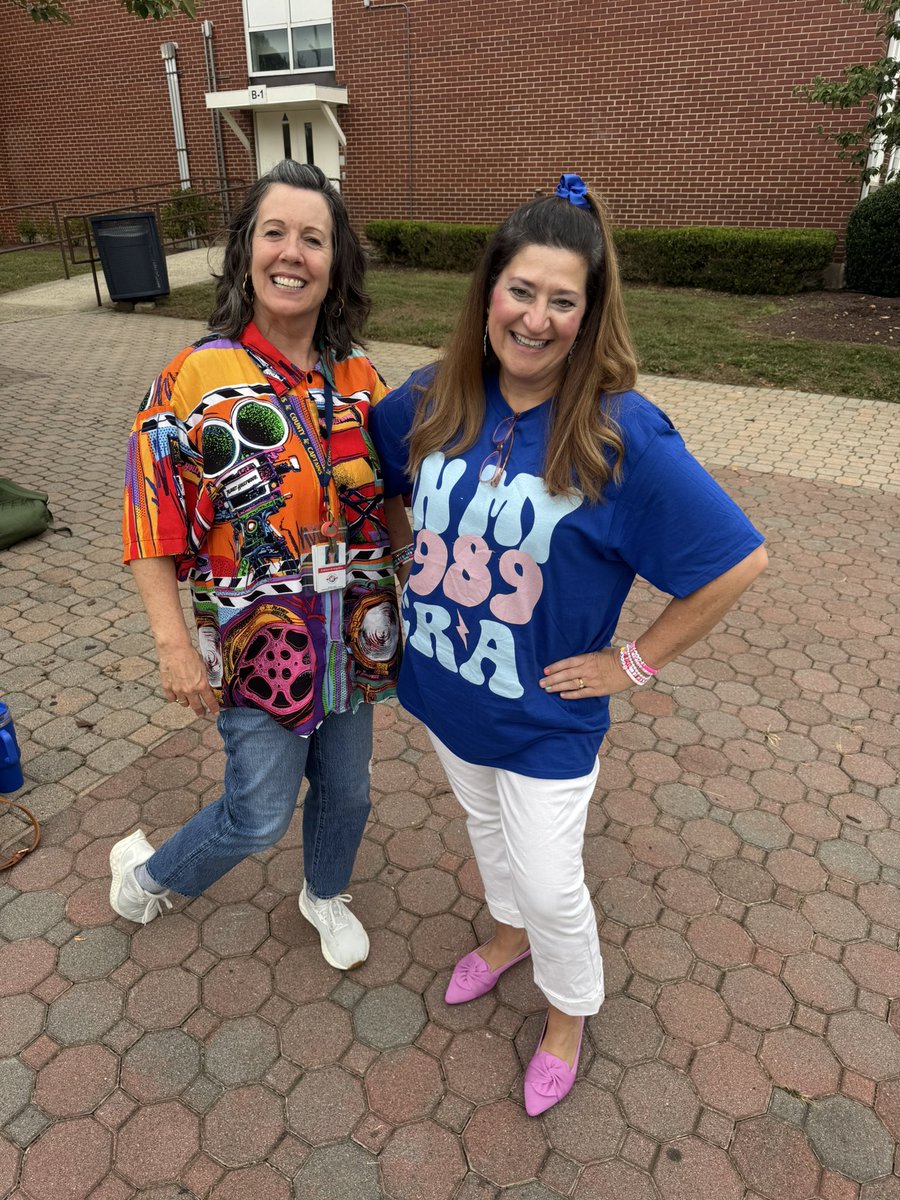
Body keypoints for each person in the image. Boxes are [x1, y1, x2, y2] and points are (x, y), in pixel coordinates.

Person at [369, 173, 767, 1114]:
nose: (536, 318)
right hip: (444, 689)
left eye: (562, 300)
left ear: (590, 317)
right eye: (520, 291)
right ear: (488, 295)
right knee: (484, 834)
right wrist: (406, 558)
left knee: (553, 885)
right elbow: (388, 476)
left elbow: (734, 563)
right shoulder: (431, 398)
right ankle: (504, 941)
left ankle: (567, 1015)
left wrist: (630, 666)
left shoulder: (618, 434)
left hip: (550, 716)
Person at [112, 160, 406, 971]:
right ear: (247, 249)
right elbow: (148, 522)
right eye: (275, 232)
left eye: (314, 239)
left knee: (348, 791)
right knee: (258, 814)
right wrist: (174, 644)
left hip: (352, 635)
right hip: (258, 647)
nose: (293, 252)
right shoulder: (192, 376)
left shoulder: (360, 380)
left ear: (336, 264)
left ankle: (325, 892)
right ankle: (146, 878)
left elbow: (400, 497)